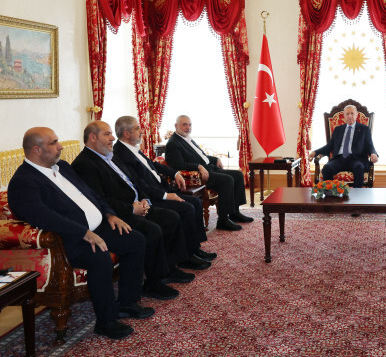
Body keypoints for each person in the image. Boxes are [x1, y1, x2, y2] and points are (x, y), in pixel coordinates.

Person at [8, 127, 153, 340]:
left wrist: (110, 214)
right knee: (99, 256)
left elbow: (92, 195)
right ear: (37, 150)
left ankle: (127, 303)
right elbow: (42, 216)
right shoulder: (23, 182)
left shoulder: (63, 167)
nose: (60, 146)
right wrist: (83, 232)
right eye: (54, 143)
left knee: (136, 240)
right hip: (69, 238)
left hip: (98, 226)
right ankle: (107, 321)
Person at [72, 121, 191, 301]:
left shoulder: (111, 155)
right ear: (93, 137)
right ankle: (153, 282)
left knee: (170, 217)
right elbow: (99, 199)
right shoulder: (84, 164)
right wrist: (132, 208)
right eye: (107, 134)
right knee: (152, 230)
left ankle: (169, 268)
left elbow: (135, 181)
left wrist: (144, 201)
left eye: (112, 133)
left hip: (136, 205)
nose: (112, 138)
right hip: (117, 213)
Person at [113, 116, 216, 269]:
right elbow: (139, 183)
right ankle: (185, 257)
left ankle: (194, 248)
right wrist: (166, 195)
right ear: (127, 134)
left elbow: (153, 165)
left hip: (161, 189)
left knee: (195, 202)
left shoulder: (133, 148)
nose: (141, 132)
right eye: (137, 128)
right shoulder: (120, 153)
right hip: (152, 196)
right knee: (187, 207)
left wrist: (174, 173)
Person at [164, 115, 253, 231]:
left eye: (190, 124)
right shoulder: (173, 143)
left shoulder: (187, 139)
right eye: (184, 124)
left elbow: (202, 156)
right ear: (176, 126)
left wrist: (215, 159)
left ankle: (234, 212)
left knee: (238, 175)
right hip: (198, 176)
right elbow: (177, 164)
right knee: (227, 180)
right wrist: (198, 166)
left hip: (208, 169)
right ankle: (223, 220)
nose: (188, 127)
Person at [308, 104, 378, 188]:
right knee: (327, 168)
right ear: (344, 116)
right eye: (347, 114)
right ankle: (331, 196)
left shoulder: (364, 129)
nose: (350, 116)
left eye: (352, 113)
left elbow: (369, 145)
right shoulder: (338, 129)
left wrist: (373, 154)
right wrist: (315, 152)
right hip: (339, 159)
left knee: (358, 167)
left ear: (356, 115)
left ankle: (357, 198)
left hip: (356, 159)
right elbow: (329, 146)